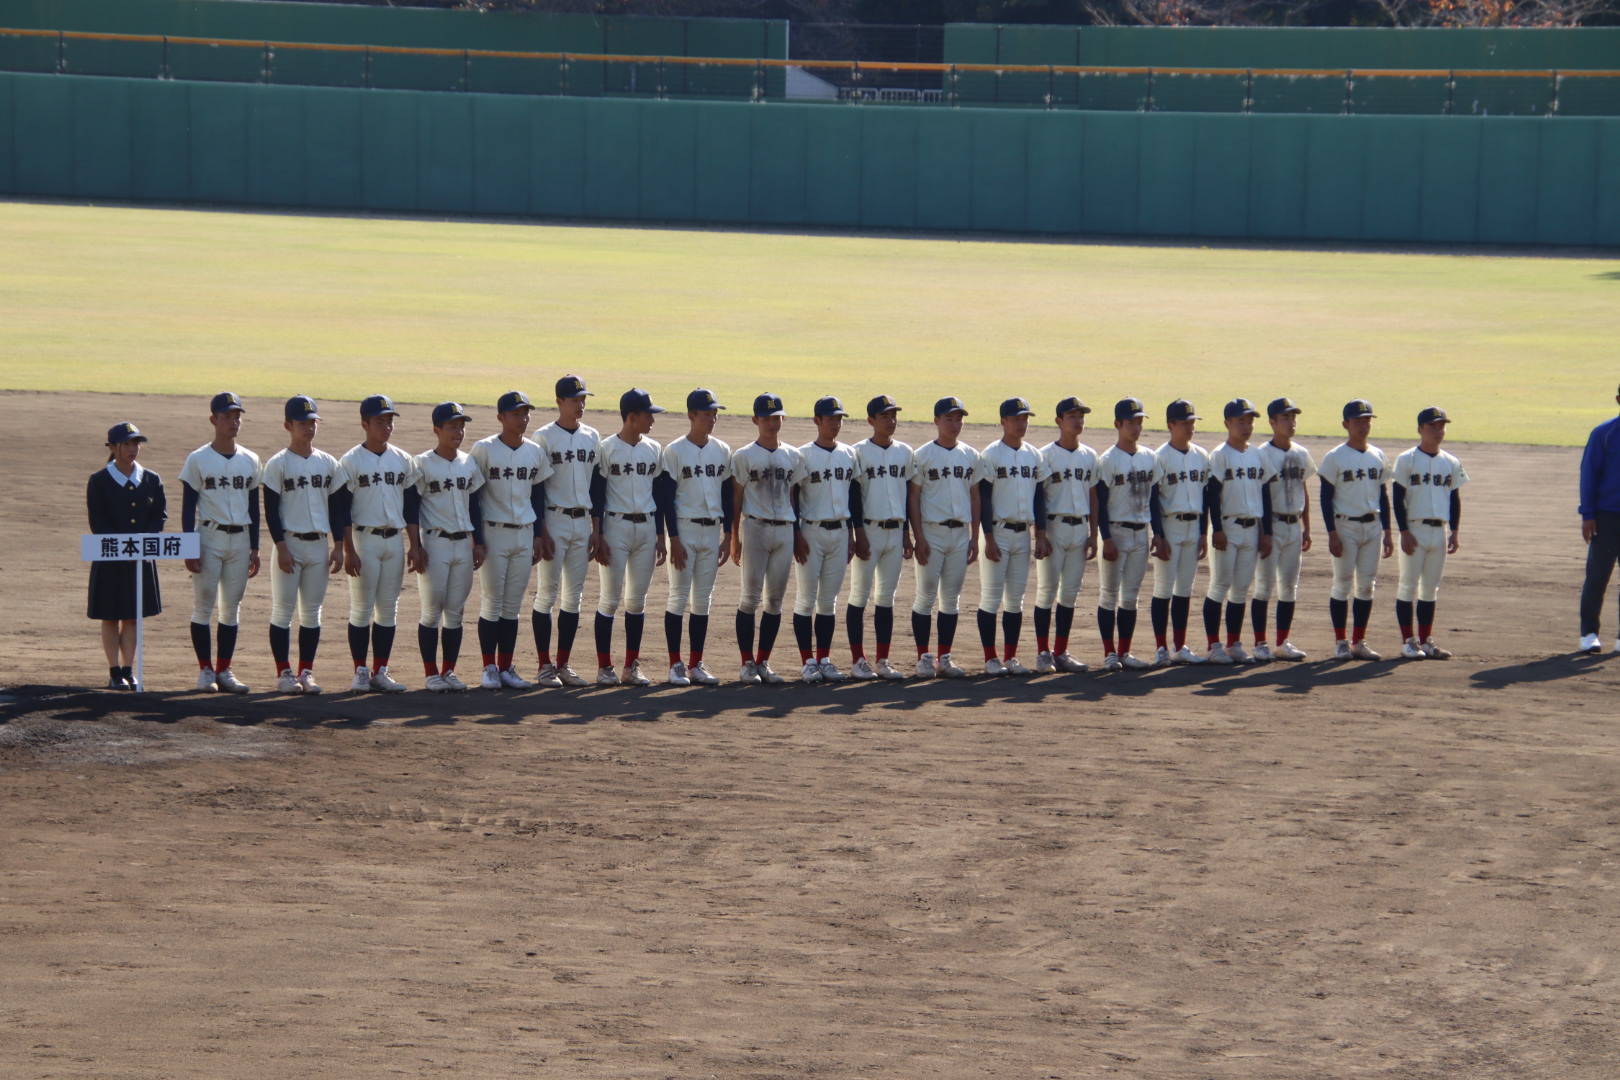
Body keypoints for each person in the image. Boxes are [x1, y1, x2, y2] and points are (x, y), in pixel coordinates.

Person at [332, 394, 423, 692]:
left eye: (389, 421)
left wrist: (415, 544)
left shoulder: (403, 460)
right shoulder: (350, 461)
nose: (386, 427)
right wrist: (348, 549)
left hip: (393, 542)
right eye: (380, 422)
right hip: (364, 540)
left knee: (387, 609)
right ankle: (360, 671)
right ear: (364, 424)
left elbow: (411, 508)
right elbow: (342, 510)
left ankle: (380, 671)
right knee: (361, 609)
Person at [179, 392, 262, 693]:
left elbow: (254, 506)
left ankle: (224, 670)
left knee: (231, 609)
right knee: (203, 606)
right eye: (227, 416)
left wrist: (255, 547)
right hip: (209, 538)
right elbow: (188, 506)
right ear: (214, 419)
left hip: (240, 539)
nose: (234, 421)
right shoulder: (198, 459)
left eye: (237, 415)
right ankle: (205, 670)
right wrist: (189, 546)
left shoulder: (250, 459)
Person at [260, 395, 343, 695]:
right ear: (288, 425)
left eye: (313, 423)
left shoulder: (328, 463)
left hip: (318, 546)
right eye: (302, 423)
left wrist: (339, 545)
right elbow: (270, 510)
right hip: (290, 544)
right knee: (283, 611)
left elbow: (336, 508)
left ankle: (306, 672)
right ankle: (284, 673)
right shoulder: (277, 464)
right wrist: (281, 546)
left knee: (312, 612)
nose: (309, 428)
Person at [469, 390, 552, 690]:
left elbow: (539, 495)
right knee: (492, 603)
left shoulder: (534, 451)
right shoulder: (484, 449)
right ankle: (488, 667)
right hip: (493, 533)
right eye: (516, 413)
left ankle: (506, 667)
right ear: (501, 417)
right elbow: (473, 497)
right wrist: (476, 539)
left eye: (526, 412)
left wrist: (539, 535)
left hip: (524, 533)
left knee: (512, 606)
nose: (523, 418)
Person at [590, 388, 667, 686]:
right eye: (648, 415)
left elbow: (658, 494)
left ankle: (630, 667)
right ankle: (604, 667)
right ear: (632, 417)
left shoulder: (654, 449)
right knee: (609, 600)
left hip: (646, 528)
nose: (653, 420)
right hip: (615, 528)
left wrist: (660, 535)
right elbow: (597, 493)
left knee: (636, 601)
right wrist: (598, 534)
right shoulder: (607, 448)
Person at [658, 388, 733, 687]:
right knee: (678, 597)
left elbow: (727, 495)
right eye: (706, 413)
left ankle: (696, 663)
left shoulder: (722, 450)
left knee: (703, 600)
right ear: (691, 416)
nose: (712, 418)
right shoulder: (674, 451)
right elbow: (666, 499)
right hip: (684, 530)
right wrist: (672, 538)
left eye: (715, 412)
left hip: (712, 530)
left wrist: (728, 535)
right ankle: (675, 664)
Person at [532, 375, 601, 687]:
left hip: (581, 522)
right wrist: (541, 530)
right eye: (575, 399)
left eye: (583, 399)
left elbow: (597, 485)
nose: (581, 404)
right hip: (554, 520)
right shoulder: (543, 437)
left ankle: (563, 664)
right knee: (547, 593)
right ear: (559, 401)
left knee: (574, 597)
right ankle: (543, 665)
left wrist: (595, 528)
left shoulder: (592, 436)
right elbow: (537, 487)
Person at [414, 402, 487, 691]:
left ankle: (449, 671)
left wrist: (478, 542)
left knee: (455, 611)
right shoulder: (421, 464)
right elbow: (411, 507)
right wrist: (416, 545)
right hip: (435, 542)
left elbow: (475, 506)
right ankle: (431, 672)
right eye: (452, 426)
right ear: (437, 430)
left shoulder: (469, 463)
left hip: (463, 545)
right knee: (432, 610)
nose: (459, 431)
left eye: (461, 425)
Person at [87, 422, 165, 690]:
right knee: (110, 615)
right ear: (112, 447)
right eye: (128, 444)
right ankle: (114, 671)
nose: (134, 449)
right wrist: (123, 547)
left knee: (132, 616)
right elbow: (98, 522)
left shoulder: (152, 479)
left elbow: (159, 515)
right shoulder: (99, 481)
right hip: (110, 558)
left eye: (136, 443)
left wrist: (144, 542)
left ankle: (129, 670)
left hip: (140, 558)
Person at [909, 396, 982, 678]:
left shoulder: (970, 455)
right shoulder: (923, 455)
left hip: (959, 534)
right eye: (949, 418)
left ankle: (944, 657)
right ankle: (923, 657)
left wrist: (975, 537)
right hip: (932, 532)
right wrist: (919, 537)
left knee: (951, 599)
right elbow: (913, 498)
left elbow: (975, 497)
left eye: (959, 418)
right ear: (936, 421)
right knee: (926, 597)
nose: (955, 424)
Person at [731, 392, 802, 684]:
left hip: (784, 529)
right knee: (749, 599)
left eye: (776, 418)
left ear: (782, 418)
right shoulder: (744, 455)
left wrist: (797, 534)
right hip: (756, 528)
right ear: (755, 420)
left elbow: (796, 498)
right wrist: (734, 537)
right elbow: (736, 499)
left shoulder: (793, 455)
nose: (772, 424)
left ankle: (763, 662)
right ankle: (746, 663)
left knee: (774, 601)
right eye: (766, 419)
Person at [792, 396, 862, 684]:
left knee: (828, 601)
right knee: (806, 599)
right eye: (830, 418)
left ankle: (824, 658)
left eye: (839, 418)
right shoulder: (803, 455)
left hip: (840, 532)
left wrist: (854, 534)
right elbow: (793, 496)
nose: (836, 423)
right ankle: (807, 661)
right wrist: (796, 533)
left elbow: (854, 497)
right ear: (816, 421)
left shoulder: (848, 454)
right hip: (811, 531)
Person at [1201, 399, 1276, 665]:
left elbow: (1265, 493)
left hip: (1252, 528)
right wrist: (1217, 529)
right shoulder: (1220, 455)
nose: (1247, 426)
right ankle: (1213, 646)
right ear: (1228, 424)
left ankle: (1234, 644)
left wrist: (1266, 532)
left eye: (1250, 421)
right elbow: (1212, 494)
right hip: (1228, 527)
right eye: (1241, 421)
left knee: (1241, 589)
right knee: (1220, 585)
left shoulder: (1258, 454)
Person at [976, 397, 1047, 675]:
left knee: (1016, 600)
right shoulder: (991, 455)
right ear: (1003, 422)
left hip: (1023, 535)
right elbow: (983, 496)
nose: (1022, 423)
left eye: (1025, 418)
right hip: (999, 532)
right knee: (991, 598)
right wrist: (989, 537)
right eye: (1016, 419)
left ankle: (1010, 657)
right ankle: (990, 657)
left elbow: (1040, 496)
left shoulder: (1034, 455)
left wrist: (1040, 533)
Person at [1319, 399, 1393, 661]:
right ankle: (1340, 642)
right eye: (1358, 421)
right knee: (1341, 585)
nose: (1363, 426)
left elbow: (1383, 494)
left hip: (1372, 526)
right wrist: (1331, 533)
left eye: (1367, 420)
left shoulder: (1378, 455)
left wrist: (1388, 532)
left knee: (1366, 587)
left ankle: (1359, 641)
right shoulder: (1335, 457)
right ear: (1345, 424)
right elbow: (1325, 497)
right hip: (1345, 526)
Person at [846, 394, 914, 680]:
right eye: (885, 416)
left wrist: (907, 534)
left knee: (886, 598)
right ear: (871, 420)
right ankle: (857, 659)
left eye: (894, 415)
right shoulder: (858, 452)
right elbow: (853, 496)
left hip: (895, 531)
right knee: (859, 595)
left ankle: (882, 660)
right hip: (870, 531)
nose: (891, 420)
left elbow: (908, 495)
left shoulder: (905, 452)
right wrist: (858, 533)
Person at [1392, 407, 1468, 660]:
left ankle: (1426, 641)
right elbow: (1397, 497)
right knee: (1407, 587)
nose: (1438, 431)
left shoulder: (1450, 461)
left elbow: (1455, 498)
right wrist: (1403, 531)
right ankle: (1408, 642)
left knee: (1430, 590)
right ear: (1420, 429)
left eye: (1441, 426)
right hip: (1414, 529)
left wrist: (1455, 531)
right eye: (1433, 426)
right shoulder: (1407, 459)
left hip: (1440, 531)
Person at [1033, 397, 1098, 674]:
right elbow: (1038, 496)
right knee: (1047, 591)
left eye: (1081, 415)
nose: (1078, 420)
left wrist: (1094, 534)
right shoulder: (1045, 455)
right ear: (1059, 421)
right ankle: (1042, 653)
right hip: (1054, 527)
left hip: (1080, 529)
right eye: (1072, 415)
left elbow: (1093, 495)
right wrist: (1041, 534)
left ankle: (1061, 651)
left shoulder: (1090, 456)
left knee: (1070, 593)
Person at [1252, 397, 1316, 662]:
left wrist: (1307, 528)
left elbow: (1303, 489)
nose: (1291, 422)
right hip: (1271, 526)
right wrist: (1264, 532)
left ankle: (1282, 642)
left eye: (1293, 417)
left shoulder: (1301, 453)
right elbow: (1258, 495)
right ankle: (1260, 644)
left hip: (1293, 526)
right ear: (1272, 422)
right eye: (1285, 418)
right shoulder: (1261, 454)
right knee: (1264, 587)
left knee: (1290, 587)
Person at [1094, 398, 1156, 672]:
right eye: (1130, 422)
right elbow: (1100, 502)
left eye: (1139, 421)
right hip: (1115, 533)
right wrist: (1105, 537)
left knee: (1130, 596)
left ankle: (1125, 651)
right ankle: (1109, 653)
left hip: (1141, 533)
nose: (1136, 427)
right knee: (1108, 595)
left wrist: (1159, 533)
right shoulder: (1107, 461)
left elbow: (1154, 499)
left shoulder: (1149, 458)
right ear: (1118, 425)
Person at [1148, 399, 1210, 666]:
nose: (1190, 427)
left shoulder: (1201, 456)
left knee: (1185, 589)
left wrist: (1204, 532)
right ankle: (1161, 648)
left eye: (1192, 422)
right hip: (1170, 526)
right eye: (1184, 423)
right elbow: (1152, 498)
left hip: (1193, 526)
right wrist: (1158, 534)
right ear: (1171, 426)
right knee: (1163, 589)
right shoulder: (1159, 457)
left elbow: (1206, 495)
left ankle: (1180, 646)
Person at [1578, 383, 1620, 653]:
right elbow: (1589, 474)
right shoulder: (1605, 433)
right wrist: (1588, 514)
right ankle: (1589, 634)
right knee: (1597, 576)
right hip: (1606, 517)